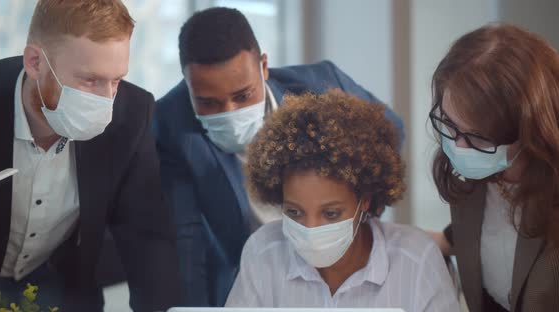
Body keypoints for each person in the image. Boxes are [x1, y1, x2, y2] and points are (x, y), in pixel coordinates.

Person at [152, 7, 404, 307]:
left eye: (243, 95)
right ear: (187, 83)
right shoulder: (169, 123)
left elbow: (389, 133)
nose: (229, 112)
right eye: (208, 103)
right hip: (252, 276)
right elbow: (187, 243)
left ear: (264, 66)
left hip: (341, 261)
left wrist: (357, 216)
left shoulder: (323, 86)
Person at [0, 1, 178, 310]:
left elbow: (147, 240)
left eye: (116, 80)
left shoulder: (131, 115)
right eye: (89, 80)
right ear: (35, 62)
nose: (106, 101)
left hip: (64, 296)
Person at [224, 89, 458, 311]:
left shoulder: (416, 260)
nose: (311, 230)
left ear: (364, 200)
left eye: (331, 213)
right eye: (295, 212)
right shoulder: (263, 252)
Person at [428, 24, 559, 311]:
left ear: (530, 132)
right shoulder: (478, 180)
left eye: (477, 137)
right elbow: (472, 239)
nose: (458, 148)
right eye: (449, 124)